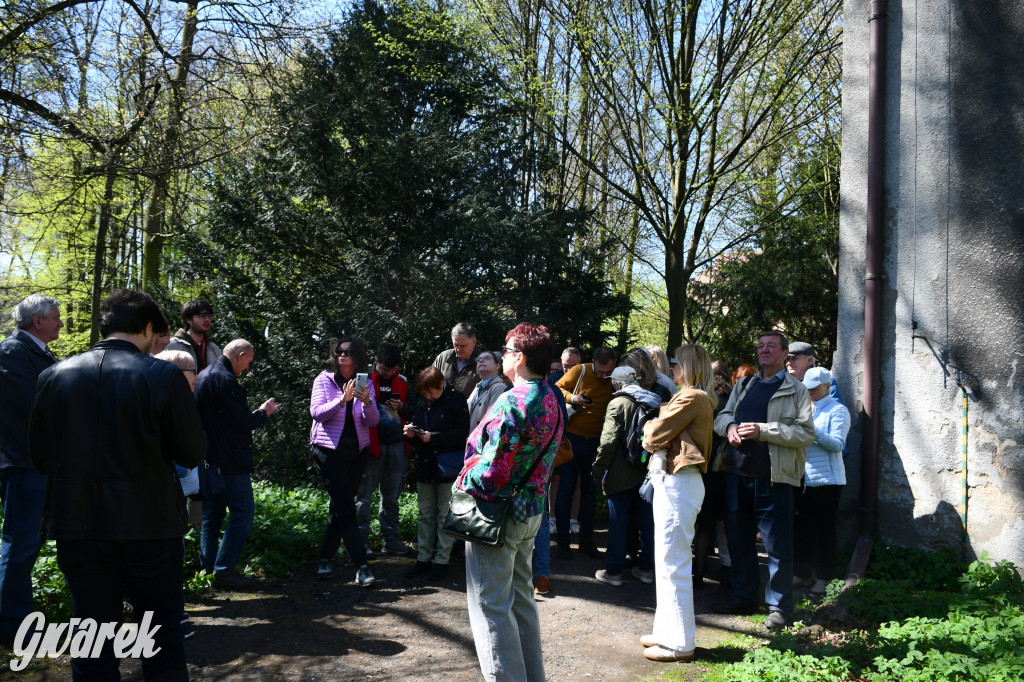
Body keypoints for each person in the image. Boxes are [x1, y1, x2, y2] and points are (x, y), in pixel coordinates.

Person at [29, 289, 206, 679]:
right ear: (146, 328)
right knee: (159, 636)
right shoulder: (162, 376)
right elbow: (192, 452)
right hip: (150, 524)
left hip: (78, 523)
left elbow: (40, 457)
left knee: (91, 637)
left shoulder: (52, 376)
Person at [455, 322, 565, 681]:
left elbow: (492, 473)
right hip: (531, 512)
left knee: (490, 606)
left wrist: (462, 478)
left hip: (498, 515)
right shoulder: (551, 397)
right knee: (520, 601)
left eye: (506, 351)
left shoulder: (513, 399)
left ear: (519, 358)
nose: (502, 357)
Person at [712, 331, 814, 630]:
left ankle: (779, 607)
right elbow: (722, 416)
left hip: (775, 479)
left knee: (777, 545)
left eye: (771, 346)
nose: (764, 351)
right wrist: (729, 426)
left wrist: (764, 430)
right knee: (739, 539)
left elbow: (806, 433)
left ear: (786, 355)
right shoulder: (745, 384)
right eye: (760, 347)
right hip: (737, 474)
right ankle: (744, 597)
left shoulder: (796, 390)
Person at [638, 344, 717, 662]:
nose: (671, 367)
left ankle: (681, 643)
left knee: (674, 563)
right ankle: (666, 633)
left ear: (689, 365)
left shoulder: (692, 396)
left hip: (679, 482)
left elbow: (654, 434)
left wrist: (649, 427)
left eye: (676, 362)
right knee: (667, 561)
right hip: (676, 481)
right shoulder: (693, 397)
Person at [0, 294, 61, 643]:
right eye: (55, 317)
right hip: (24, 465)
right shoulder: (12, 352)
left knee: (28, 545)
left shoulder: (35, 352)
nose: (60, 323)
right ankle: (12, 625)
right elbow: (34, 406)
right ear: (37, 321)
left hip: (39, 464)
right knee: (20, 545)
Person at [196, 338, 279, 588]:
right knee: (242, 512)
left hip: (209, 458)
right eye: (248, 362)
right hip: (230, 461)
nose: (248, 368)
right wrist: (264, 412)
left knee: (212, 517)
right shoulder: (226, 380)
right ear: (240, 355)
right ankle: (224, 570)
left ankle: (207, 571)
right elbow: (244, 422)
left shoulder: (204, 375)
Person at [309, 337, 379, 585]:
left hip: (356, 453)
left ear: (357, 357)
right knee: (347, 507)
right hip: (328, 452)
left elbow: (372, 421)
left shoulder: (366, 383)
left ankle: (325, 559)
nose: (341, 356)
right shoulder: (323, 380)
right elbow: (317, 413)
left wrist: (366, 402)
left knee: (339, 506)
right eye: (338, 351)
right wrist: (342, 400)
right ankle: (362, 566)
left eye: (347, 352)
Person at [592, 359, 659, 587]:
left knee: (618, 523)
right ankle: (647, 569)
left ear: (618, 384)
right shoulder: (653, 401)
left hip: (620, 474)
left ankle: (614, 571)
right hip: (647, 471)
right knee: (647, 523)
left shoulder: (618, 403)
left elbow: (609, 440)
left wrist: (599, 469)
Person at [403, 367, 469, 581]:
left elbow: (462, 434)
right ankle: (423, 559)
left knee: (443, 516)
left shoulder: (456, 400)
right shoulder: (422, 402)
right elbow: (418, 425)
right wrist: (412, 433)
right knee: (425, 515)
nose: (427, 397)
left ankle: (442, 561)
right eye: (424, 393)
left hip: (447, 467)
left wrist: (434, 437)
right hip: (425, 464)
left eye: (430, 392)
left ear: (441, 385)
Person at [554, 346, 616, 559]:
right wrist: (574, 399)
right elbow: (556, 389)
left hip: (597, 442)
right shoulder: (580, 370)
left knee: (590, 492)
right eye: (599, 371)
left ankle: (586, 542)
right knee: (566, 490)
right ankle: (563, 542)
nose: (602, 376)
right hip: (573, 439)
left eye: (607, 372)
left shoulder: (615, 379)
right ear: (593, 363)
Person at [792, 367, 850, 594]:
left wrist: (811, 429)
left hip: (828, 482)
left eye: (815, 389)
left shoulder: (838, 410)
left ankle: (824, 577)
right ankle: (803, 574)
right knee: (803, 530)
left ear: (827, 386)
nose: (811, 393)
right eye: (808, 389)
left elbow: (837, 445)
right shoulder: (807, 409)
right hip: (804, 479)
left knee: (825, 531)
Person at [356, 342, 412, 556]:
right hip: (371, 445)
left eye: (393, 369)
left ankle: (391, 540)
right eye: (385, 368)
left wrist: (403, 407)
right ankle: (361, 542)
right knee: (364, 496)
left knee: (391, 496)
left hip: (397, 445)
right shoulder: (365, 380)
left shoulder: (403, 382)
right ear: (375, 361)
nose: (389, 373)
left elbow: (413, 410)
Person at [694, 360, 732, 591]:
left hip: (706, 468)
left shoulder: (704, 400)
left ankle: (697, 573)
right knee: (729, 524)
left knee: (705, 525)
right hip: (727, 469)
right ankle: (729, 570)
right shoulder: (733, 401)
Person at [166, 298, 222, 374]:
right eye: (202, 316)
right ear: (188, 320)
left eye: (209, 316)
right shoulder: (171, 346)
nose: (207, 320)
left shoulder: (214, 349)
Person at [433, 322, 482, 397]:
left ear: (474, 342)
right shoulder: (442, 358)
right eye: (455, 345)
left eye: (463, 346)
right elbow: (429, 384)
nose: (458, 349)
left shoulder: (483, 362)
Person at [467, 351, 508, 432]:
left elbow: (492, 421)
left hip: (483, 440)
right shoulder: (478, 387)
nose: (481, 361)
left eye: (487, 358)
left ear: (497, 366)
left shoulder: (499, 387)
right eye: (478, 360)